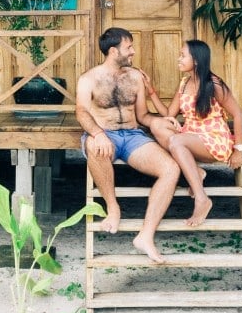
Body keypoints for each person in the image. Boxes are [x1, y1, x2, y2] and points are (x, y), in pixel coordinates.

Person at [75, 27, 180, 263]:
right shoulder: (89, 79)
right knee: (95, 147)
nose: (132, 52)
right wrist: (98, 134)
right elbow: (81, 112)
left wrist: (160, 121)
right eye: (128, 47)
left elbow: (143, 116)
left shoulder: (135, 77)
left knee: (171, 169)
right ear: (113, 51)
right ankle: (113, 208)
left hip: (133, 136)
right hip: (104, 134)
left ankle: (146, 235)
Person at [144, 39, 242, 227]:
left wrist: (238, 149)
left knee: (175, 142)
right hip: (189, 135)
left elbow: (237, 114)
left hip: (214, 139)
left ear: (196, 60)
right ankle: (196, 172)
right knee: (157, 125)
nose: (178, 59)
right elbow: (168, 114)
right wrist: (151, 91)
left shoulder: (214, 84)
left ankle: (201, 199)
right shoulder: (184, 83)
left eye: (183, 55)